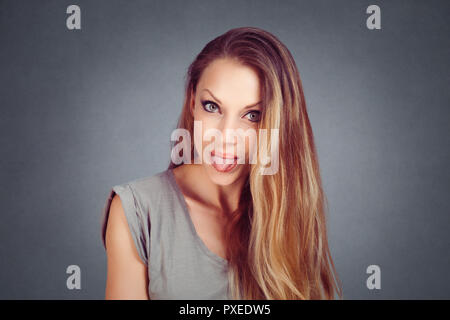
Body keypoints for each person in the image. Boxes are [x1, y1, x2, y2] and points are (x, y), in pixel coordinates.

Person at [101, 26, 343, 300]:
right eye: (212, 107)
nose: (226, 138)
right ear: (193, 101)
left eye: (252, 115)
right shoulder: (137, 210)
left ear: (279, 124)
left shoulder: (290, 211)